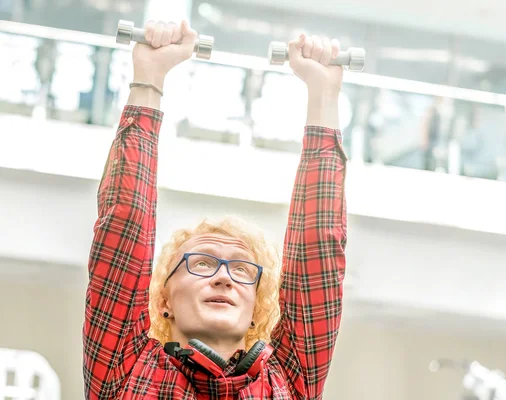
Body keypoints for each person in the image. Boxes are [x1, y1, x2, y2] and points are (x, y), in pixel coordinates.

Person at [82, 20, 348, 400]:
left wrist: (324, 94)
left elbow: (318, 252)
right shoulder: (125, 367)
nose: (224, 278)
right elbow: (124, 226)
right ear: (163, 300)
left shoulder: (289, 380)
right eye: (202, 263)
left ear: (258, 307)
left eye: (242, 269)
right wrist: (149, 77)